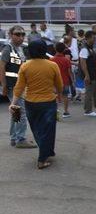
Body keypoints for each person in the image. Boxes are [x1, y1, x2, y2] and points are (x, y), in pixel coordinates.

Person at [10, 40, 63, 169]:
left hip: (30, 103)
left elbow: (19, 87)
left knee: (37, 130)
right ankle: (42, 159)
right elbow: (59, 85)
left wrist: (13, 103)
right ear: (44, 50)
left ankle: (47, 151)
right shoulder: (52, 65)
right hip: (48, 103)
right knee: (48, 131)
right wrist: (59, 94)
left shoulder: (25, 66)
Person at [0, 26, 36, 148]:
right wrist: (4, 85)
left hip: (19, 86)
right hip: (13, 86)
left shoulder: (20, 49)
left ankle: (14, 137)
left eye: (22, 34)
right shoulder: (8, 49)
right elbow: (2, 68)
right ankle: (20, 139)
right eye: (17, 34)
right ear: (10, 34)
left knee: (16, 111)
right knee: (21, 112)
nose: (21, 37)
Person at [79, 31, 96, 116]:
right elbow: (82, 63)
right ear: (88, 38)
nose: (95, 40)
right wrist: (86, 75)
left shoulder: (90, 48)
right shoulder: (84, 49)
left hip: (93, 74)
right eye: (93, 38)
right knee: (89, 93)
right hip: (89, 74)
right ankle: (88, 110)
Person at [50, 42, 73, 118]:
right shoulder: (66, 60)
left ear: (55, 49)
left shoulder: (52, 60)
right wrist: (72, 81)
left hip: (55, 82)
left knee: (55, 96)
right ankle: (66, 111)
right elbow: (69, 72)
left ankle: (55, 111)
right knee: (65, 96)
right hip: (65, 81)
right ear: (64, 50)